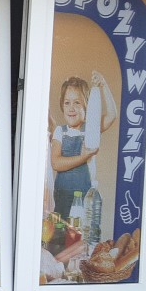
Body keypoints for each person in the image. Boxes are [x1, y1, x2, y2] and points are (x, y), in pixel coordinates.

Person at [50, 72, 118, 219]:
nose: (71, 108)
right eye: (67, 103)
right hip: (62, 199)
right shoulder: (60, 131)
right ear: (62, 105)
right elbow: (56, 163)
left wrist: (103, 84)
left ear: (87, 106)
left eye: (77, 103)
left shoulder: (91, 129)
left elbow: (112, 115)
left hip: (85, 200)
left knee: (83, 232)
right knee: (62, 233)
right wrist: (84, 156)